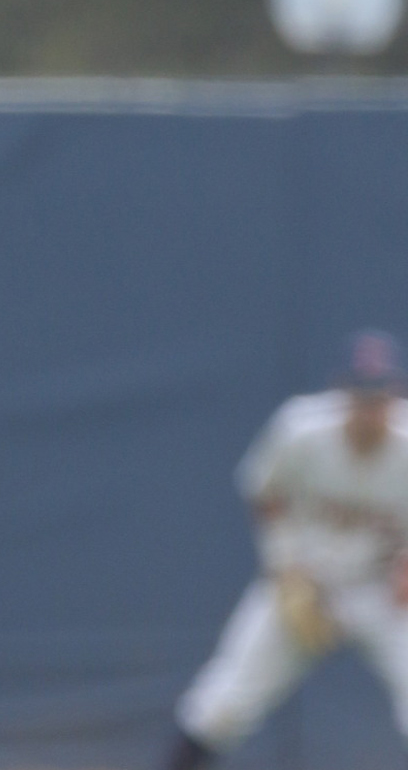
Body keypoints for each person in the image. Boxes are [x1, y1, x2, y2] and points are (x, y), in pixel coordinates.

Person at [164, 330, 408, 770]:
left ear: (396, 394)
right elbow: (265, 490)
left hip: (379, 587)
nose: (371, 409)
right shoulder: (302, 429)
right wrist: (285, 567)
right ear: (342, 391)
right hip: (306, 580)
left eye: (380, 396)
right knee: (225, 702)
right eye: (361, 395)